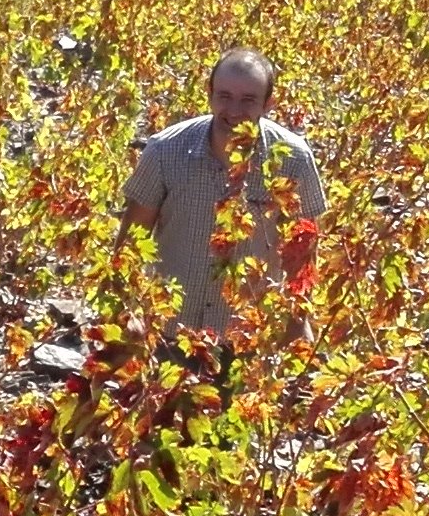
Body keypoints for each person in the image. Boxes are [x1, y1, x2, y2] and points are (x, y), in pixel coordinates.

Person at [119, 48, 328, 337]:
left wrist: (298, 318)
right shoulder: (165, 151)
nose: (234, 111)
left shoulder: (293, 159)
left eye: (248, 100)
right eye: (225, 96)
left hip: (251, 336)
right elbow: (130, 241)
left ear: (269, 103)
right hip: (169, 331)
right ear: (210, 93)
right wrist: (127, 312)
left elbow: (304, 248)